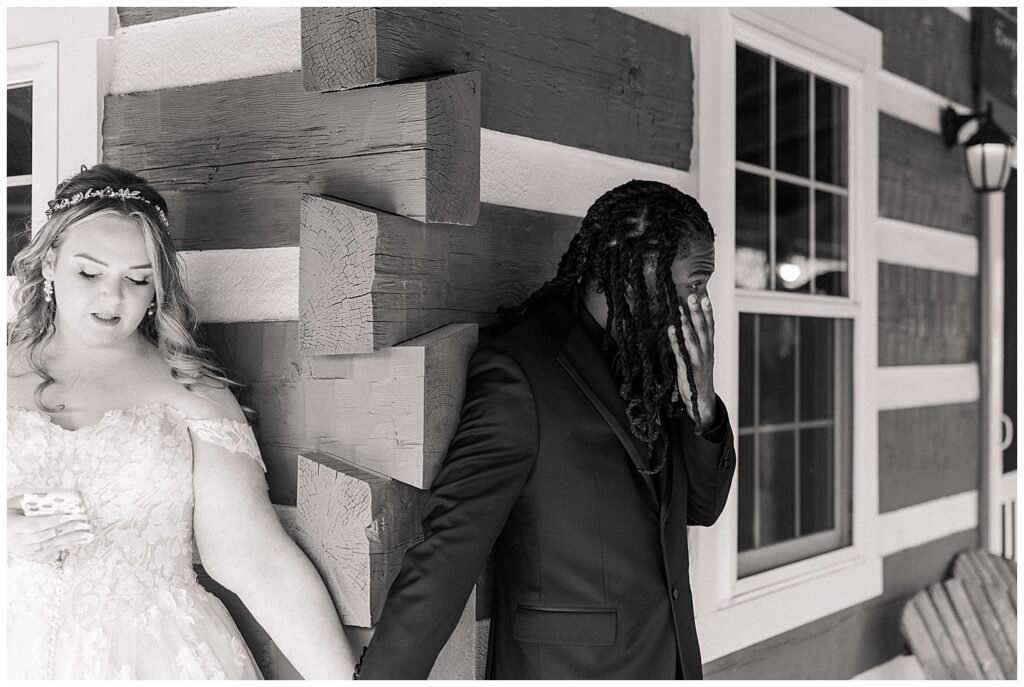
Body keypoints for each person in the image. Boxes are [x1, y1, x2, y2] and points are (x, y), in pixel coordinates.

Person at [357, 179, 736, 679]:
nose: (702, 304)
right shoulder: (521, 373)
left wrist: (703, 405)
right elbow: (452, 545)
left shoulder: (658, 372)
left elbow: (703, 510)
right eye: (695, 282)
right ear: (637, 266)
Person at [6, 165, 358, 679]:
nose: (113, 297)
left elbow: (253, 557)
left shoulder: (192, 390)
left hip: (153, 652)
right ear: (49, 264)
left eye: (137, 278)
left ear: (157, 288)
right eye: (90, 272)